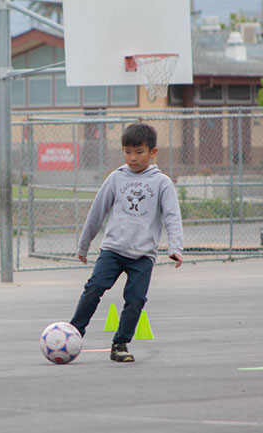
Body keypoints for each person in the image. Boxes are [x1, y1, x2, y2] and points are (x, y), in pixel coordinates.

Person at [69, 123, 183, 363]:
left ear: (153, 152)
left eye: (139, 152)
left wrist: (175, 248)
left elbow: (172, 216)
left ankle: (120, 344)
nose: (132, 158)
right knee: (94, 287)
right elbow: (96, 212)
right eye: (127, 151)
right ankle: (73, 332)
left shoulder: (162, 183)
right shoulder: (116, 178)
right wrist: (84, 245)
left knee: (135, 299)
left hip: (143, 256)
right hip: (113, 249)